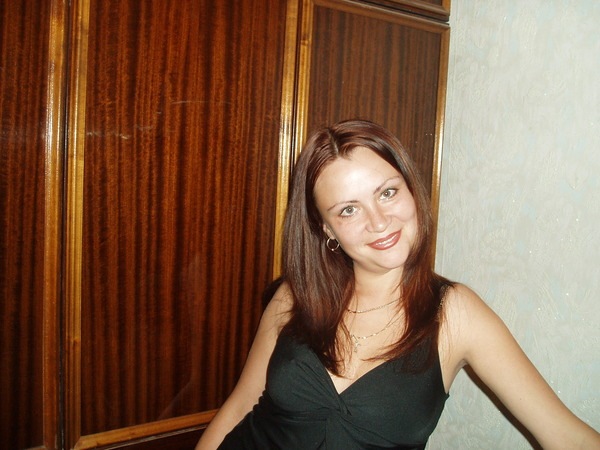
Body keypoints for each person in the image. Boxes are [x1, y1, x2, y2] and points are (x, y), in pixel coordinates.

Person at [196, 119, 600, 449]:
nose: (378, 222)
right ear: (327, 229)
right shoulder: (295, 296)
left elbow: (570, 439)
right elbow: (240, 407)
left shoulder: (456, 315)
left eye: (387, 193)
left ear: (411, 188)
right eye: (349, 209)